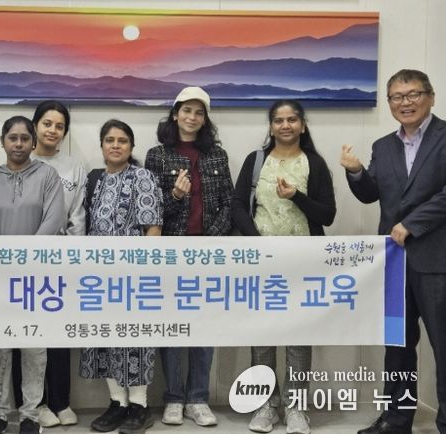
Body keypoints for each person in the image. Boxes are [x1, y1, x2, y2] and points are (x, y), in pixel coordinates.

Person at [341, 69, 446, 434]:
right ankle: (396, 420)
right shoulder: (383, 146)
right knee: (397, 347)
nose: (406, 103)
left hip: (437, 260)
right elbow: (371, 193)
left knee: (443, 345)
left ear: (430, 97)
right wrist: (356, 172)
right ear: (389, 103)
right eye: (397, 97)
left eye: (413, 94)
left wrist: (413, 223)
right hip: (394, 262)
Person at [232, 99, 336, 434]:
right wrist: (258, 243)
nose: (285, 125)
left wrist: (296, 197)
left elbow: (327, 215)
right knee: (263, 333)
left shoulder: (314, 163)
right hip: (261, 261)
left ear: (302, 125)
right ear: (271, 126)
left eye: (292, 120)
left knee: (298, 334)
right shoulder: (256, 160)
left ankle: (296, 407)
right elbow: (237, 207)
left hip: (303, 261)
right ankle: (265, 404)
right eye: (278, 120)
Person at [144, 86, 232, 428]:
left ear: (205, 119)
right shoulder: (157, 155)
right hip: (171, 254)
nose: (192, 117)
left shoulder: (217, 156)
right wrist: (176, 195)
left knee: (204, 328)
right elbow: (151, 211)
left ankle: (198, 398)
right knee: (172, 328)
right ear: (175, 114)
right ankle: (173, 398)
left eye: (199, 112)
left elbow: (228, 204)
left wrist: (211, 241)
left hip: (207, 253)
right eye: (186, 110)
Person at [0, 115, 65, 434]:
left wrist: (26, 259)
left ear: (33, 142)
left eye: (24, 138)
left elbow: (53, 220)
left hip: (36, 275)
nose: (18, 144)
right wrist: (1, 262)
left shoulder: (47, 175)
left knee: (33, 347)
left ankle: (31, 414)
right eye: (12, 138)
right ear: (2, 141)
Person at [80, 119, 163, 434]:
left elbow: (153, 227)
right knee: (105, 337)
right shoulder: (97, 180)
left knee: (135, 339)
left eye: (122, 141)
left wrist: (143, 271)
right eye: (110, 140)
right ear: (102, 145)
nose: (115, 145)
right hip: (99, 276)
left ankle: (139, 406)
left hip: (133, 275)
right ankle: (117, 403)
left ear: (131, 146)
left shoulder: (142, 177)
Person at [30, 100, 85, 428]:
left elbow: (77, 215)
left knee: (60, 335)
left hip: (61, 260)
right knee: (29, 336)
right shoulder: (21, 159)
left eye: (59, 126)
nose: (52, 130)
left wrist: (72, 257)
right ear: (35, 125)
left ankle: (60, 401)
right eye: (47, 123)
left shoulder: (73, 167)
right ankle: (34, 403)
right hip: (27, 262)